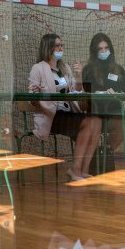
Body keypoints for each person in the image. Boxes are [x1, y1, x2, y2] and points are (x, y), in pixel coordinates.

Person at [28, 33, 102, 181]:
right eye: (57, 45)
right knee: (88, 123)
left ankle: (84, 169)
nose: (61, 48)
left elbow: (78, 91)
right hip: (52, 115)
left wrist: (79, 75)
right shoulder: (38, 68)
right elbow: (32, 98)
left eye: (62, 45)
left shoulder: (65, 67)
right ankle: (75, 169)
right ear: (48, 47)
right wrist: (34, 94)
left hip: (69, 111)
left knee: (96, 121)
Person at [81, 33, 125, 172]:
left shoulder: (117, 68)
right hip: (98, 114)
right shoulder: (88, 69)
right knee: (124, 121)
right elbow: (88, 91)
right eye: (100, 49)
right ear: (94, 51)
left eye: (106, 48)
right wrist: (102, 92)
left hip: (115, 111)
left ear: (110, 49)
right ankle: (106, 150)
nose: (103, 51)